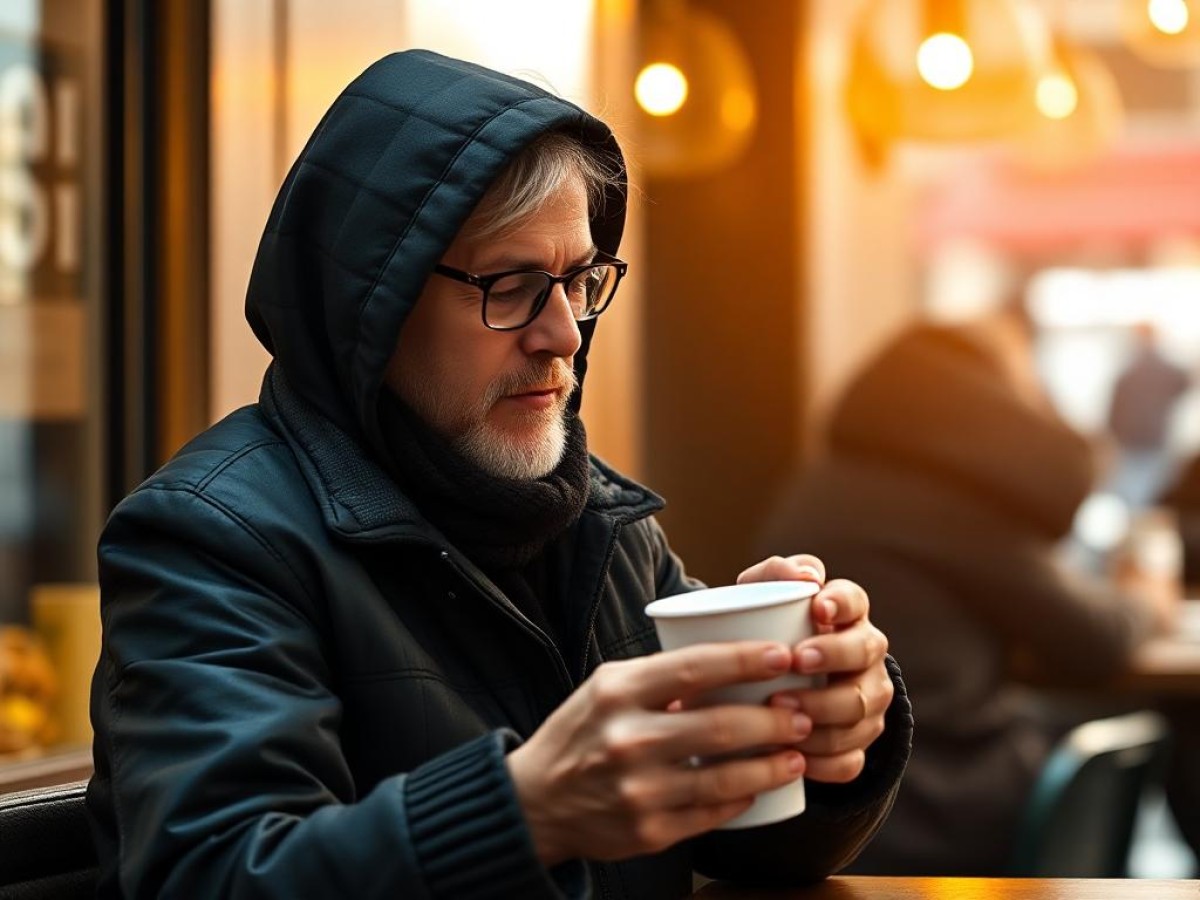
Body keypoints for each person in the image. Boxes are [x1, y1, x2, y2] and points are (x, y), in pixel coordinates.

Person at [87, 50, 912, 899]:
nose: (564, 334)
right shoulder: (211, 537)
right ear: (372, 301)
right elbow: (210, 877)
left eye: (582, 280)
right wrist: (526, 809)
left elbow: (751, 849)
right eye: (514, 285)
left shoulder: (599, 520)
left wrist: (825, 729)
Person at [759, 308, 1176, 876]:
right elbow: (1094, 639)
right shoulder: (946, 500)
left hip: (840, 797)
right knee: (1152, 729)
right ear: (983, 402)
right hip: (932, 798)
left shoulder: (831, 481)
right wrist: (1147, 598)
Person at [1104, 321, 1190, 510]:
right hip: (1154, 437)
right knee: (1151, 489)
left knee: (1129, 490)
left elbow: (1114, 410)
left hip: (1130, 439)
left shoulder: (1128, 369)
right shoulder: (1167, 368)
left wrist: (1111, 436)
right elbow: (1186, 383)